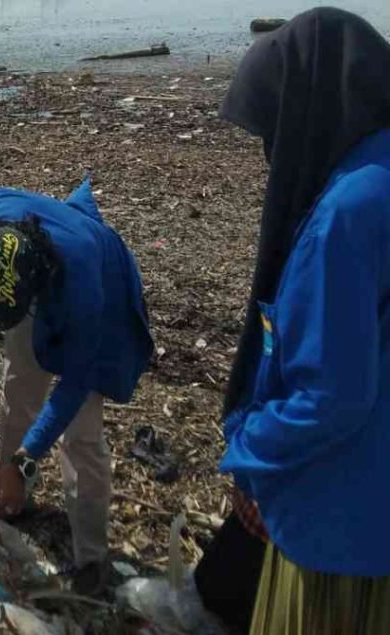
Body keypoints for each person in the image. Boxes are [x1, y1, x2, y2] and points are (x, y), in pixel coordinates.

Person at [215, 8, 390, 633]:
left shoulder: (346, 213)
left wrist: (248, 455)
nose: (270, 153)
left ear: (306, 114)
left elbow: (332, 396)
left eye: (272, 129)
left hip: (342, 527)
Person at [0, 180, 153, 595]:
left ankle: (92, 558)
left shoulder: (84, 293)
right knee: (18, 389)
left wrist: (28, 457)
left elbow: (75, 383)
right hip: (27, 280)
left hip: (95, 282)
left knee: (82, 434)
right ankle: (11, 493)